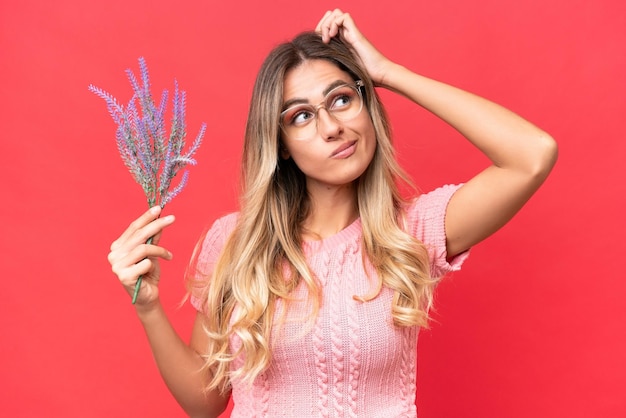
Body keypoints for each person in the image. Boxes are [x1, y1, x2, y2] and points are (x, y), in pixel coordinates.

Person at [107, 9, 557, 418]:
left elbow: (532, 155)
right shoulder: (233, 243)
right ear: (280, 143)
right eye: (301, 116)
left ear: (366, 104)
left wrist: (386, 72)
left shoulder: (411, 233)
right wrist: (149, 308)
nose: (331, 127)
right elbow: (205, 402)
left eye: (341, 99)